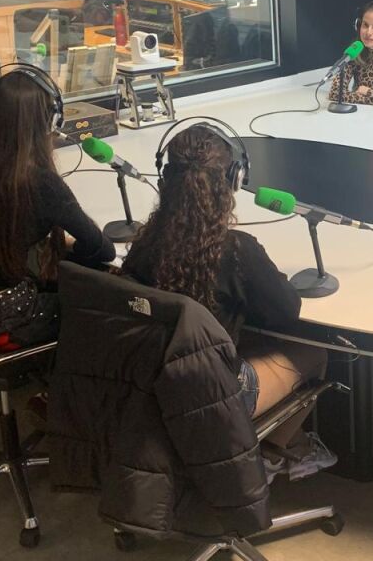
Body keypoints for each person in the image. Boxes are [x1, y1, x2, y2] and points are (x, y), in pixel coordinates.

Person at [122, 123, 336, 480]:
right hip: (214, 393)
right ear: (234, 180)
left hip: (154, 384)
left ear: (166, 179)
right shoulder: (236, 250)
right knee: (314, 352)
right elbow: (287, 312)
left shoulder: (145, 243)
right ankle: (272, 455)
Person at [0, 68, 115, 352]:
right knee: (112, 302)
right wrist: (69, 243)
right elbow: (104, 250)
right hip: (7, 322)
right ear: (51, 120)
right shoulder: (42, 182)